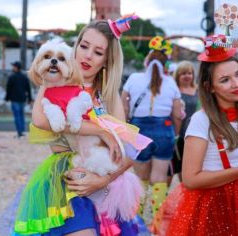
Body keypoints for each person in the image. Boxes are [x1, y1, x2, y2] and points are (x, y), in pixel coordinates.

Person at [12, 16, 149, 236]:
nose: (87, 55)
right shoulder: (54, 82)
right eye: (84, 46)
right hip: (67, 181)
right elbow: (40, 120)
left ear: (107, 60)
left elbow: (128, 153)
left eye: (98, 52)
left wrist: (101, 180)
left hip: (105, 185)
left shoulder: (108, 96)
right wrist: (100, 130)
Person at [152, 34, 238, 235]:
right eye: (225, 80)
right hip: (215, 207)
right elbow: (190, 179)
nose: (237, 84)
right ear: (209, 87)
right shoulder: (201, 120)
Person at [121, 36, 183, 219]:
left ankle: (137, 221)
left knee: (140, 178)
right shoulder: (171, 82)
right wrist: (175, 134)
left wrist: (125, 131)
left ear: (146, 61)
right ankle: (158, 222)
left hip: (139, 130)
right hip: (164, 129)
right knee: (159, 178)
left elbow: (123, 106)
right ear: (166, 64)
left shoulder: (133, 78)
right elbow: (178, 114)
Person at [170, 61, 199, 182]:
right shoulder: (174, 91)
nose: (187, 76)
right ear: (177, 75)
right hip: (179, 134)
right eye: (183, 73)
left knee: (194, 167)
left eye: (189, 73)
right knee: (180, 167)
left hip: (196, 134)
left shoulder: (199, 90)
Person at [5, 61, 32, 138]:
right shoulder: (24, 77)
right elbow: (28, 89)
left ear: (16, 67)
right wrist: (29, 99)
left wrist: (7, 98)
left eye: (13, 66)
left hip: (14, 99)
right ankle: (22, 131)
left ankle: (19, 132)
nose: (12, 68)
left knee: (17, 116)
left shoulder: (12, 77)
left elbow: (8, 89)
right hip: (22, 99)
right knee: (21, 115)